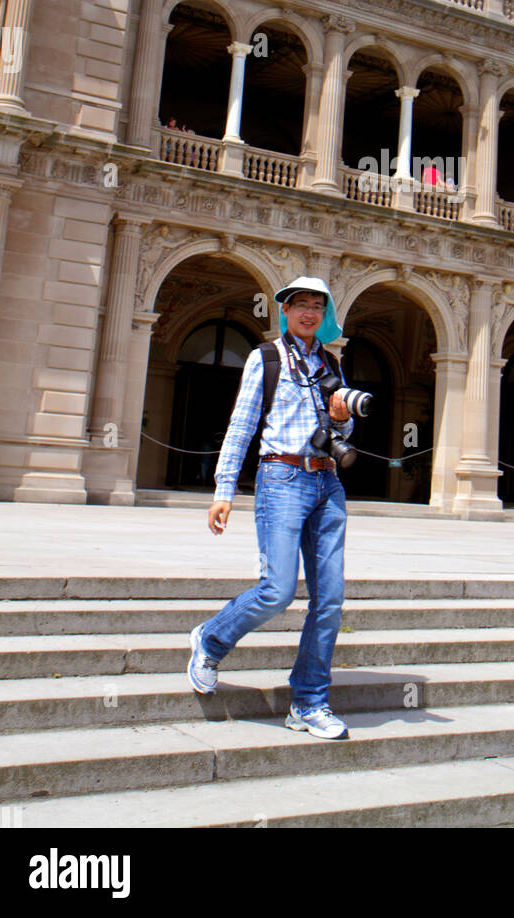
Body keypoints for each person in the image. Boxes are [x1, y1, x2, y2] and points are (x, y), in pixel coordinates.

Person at [187, 275, 354, 740]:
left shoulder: (331, 362)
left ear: (324, 315)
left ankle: (309, 700)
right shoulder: (266, 358)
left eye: (316, 307)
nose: (308, 313)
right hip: (280, 478)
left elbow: (342, 438)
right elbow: (241, 424)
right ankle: (211, 639)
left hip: (327, 483)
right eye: (300, 305)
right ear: (284, 310)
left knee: (330, 599)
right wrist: (224, 491)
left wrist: (341, 419)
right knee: (277, 591)